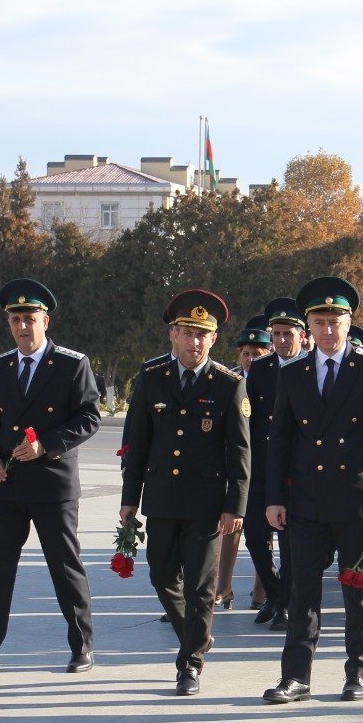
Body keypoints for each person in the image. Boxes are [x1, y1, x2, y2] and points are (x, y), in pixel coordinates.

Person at [262, 277, 363, 704]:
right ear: (309, 326)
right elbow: (280, 440)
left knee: (359, 590)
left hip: (357, 499)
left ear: (349, 324)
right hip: (306, 499)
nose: (329, 330)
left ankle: (356, 672)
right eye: (321, 322)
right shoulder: (293, 373)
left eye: (336, 321)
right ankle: (296, 677)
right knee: (302, 591)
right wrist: (274, 497)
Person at [0, 278, 101, 675]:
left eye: (29, 319)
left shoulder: (72, 364)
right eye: (16, 319)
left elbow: (89, 418)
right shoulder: (0, 367)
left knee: (65, 569)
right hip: (7, 485)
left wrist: (46, 445)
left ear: (45, 320)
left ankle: (81, 647)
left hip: (52, 484)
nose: (22, 327)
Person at [120, 289, 250, 695]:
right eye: (188, 333)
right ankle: (197, 637)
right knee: (162, 578)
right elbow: (136, 443)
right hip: (160, 497)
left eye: (203, 335)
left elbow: (241, 451)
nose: (195, 342)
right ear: (173, 335)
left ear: (213, 340)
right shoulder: (152, 376)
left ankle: (189, 663)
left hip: (206, 503)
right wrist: (129, 499)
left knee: (199, 587)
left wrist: (235, 504)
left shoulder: (229, 385)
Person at [243, 297, 308, 631]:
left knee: (290, 544)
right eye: (277, 334)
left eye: (288, 334)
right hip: (263, 467)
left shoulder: (311, 367)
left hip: (298, 471)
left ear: (302, 335)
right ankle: (276, 593)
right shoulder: (262, 369)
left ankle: (284, 604)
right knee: (255, 536)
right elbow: (249, 419)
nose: (282, 341)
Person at [213, 316, 271, 612]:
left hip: (263, 465)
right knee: (229, 526)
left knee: (262, 530)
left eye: (256, 354)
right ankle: (223, 587)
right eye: (245, 353)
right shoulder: (229, 380)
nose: (249, 359)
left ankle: (262, 592)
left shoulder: (276, 379)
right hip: (232, 465)